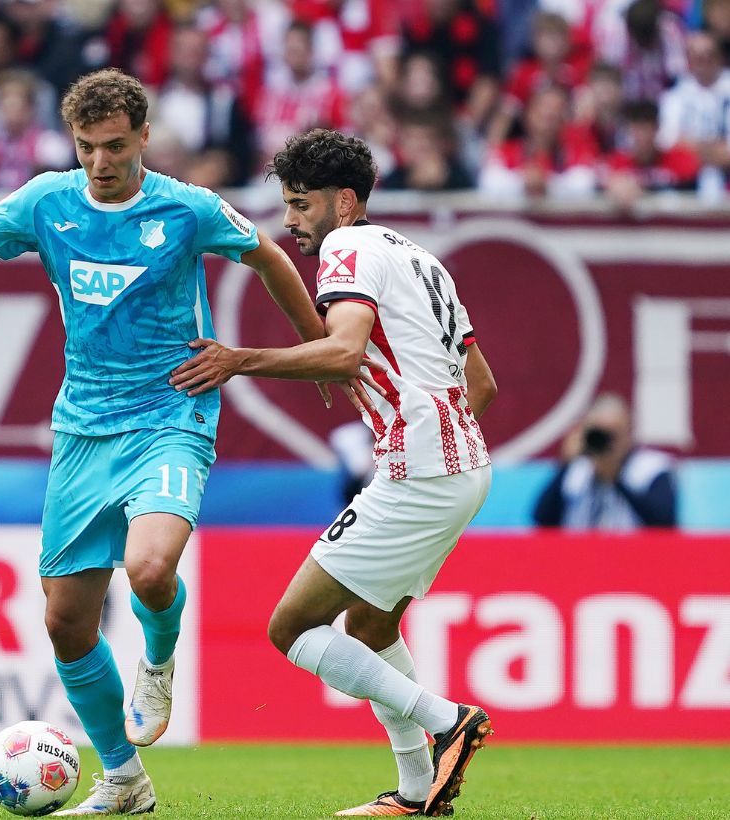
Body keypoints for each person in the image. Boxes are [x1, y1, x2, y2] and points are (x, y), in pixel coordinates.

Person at [0, 68, 331, 815]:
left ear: (142, 138)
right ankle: (124, 779)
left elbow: (266, 254)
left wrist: (316, 348)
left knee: (150, 567)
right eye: (87, 146)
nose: (101, 162)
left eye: (115, 146)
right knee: (66, 622)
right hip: (82, 430)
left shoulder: (185, 208)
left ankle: (157, 662)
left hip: (171, 413)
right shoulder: (47, 201)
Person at [202, 129, 497, 816]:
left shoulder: (348, 248)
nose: (290, 221)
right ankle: (418, 793)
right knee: (368, 625)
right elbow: (479, 382)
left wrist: (236, 358)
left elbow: (341, 352)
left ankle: (446, 717)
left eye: (299, 205)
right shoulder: (419, 257)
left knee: (290, 628)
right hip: (458, 467)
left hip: (420, 470)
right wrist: (428, 437)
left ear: (342, 202)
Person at [532, 393, 677, 530]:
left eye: (611, 434)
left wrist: (615, 479)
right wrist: (565, 466)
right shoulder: (576, 470)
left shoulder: (650, 469)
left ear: (629, 433)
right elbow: (542, 520)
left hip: (634, 552)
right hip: (580, 552)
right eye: (598, 434)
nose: (604, 442)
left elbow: (664, 523)